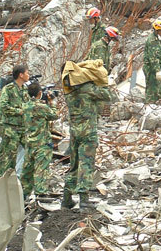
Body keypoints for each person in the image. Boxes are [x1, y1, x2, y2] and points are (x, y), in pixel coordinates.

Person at [61, 61, 106, 210]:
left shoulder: (67, 90)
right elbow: (109, 95)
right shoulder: (88, 88)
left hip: (74, 132)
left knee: (74, 165)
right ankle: (84, 199)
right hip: (88, 132)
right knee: (86, 164)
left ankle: (66, 198)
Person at [20, 82, 58, 201]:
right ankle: (40, 194)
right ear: (40, 93)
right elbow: (54, 115)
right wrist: (52, 102)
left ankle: (23, 194)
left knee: (27, 170)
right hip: (42, 143)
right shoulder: (42, 107)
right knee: (41, 169)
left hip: (29, 142)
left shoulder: (25, 106)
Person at [0, 64, 30, 178]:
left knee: (27, 152)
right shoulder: (8, 89)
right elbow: (4, 106)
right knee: (7, 156)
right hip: (9, 126)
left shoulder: (25, 89)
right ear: (21, 75)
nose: (28, 75)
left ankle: (17, 178)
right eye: (27, 73)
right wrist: (18, 111)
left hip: (21, 127)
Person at [144, 19, 161, 103]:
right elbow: (153, 57)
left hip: (155, 68)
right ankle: (149, 105)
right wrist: (158, 70)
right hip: (151, 69)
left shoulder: (156, 39)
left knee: (156, 89)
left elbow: (160, 55)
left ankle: (153, 104)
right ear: (158, 30)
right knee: (151, 89)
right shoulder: (152, 40)